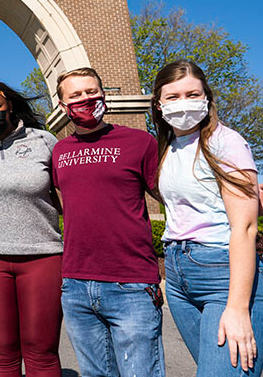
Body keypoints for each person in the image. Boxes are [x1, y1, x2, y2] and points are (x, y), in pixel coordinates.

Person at [51, 67, 165, 377]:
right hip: (75, 284)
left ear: (104, 95)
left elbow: (171, 197)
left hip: (131, 283)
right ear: (62, 106)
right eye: (75, 95)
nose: (85, 99)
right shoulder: (59, 152)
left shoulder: (140, 143)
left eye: (91, 91)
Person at [152, 60, 262, 376]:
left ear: (206, 98)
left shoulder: (226, 142)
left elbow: (245, 226)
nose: (183, 103)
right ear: (158, 105)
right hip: (176, 276)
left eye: (192, 94)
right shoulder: (167, 147)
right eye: (172, 97)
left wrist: (239, 308)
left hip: (222, 274)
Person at [0, 81, 63, 377]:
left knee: (41, 351)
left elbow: (67, 195)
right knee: (2, 352)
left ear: (10, 106)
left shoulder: (44, 141)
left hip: (42, 254)